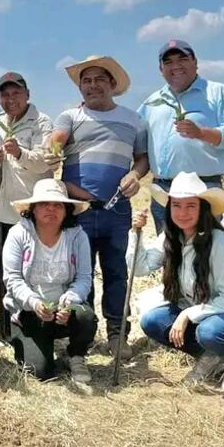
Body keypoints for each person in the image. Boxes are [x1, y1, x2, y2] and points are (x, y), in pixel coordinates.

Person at [131, 173, 224, 393]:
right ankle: (210, 356)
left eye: (190, 206)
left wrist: (187, 314)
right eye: (176, 205)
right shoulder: (171, 237)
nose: (182, 213)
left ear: (203, 208)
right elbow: (140, 268)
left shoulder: (221, 243)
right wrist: (135, 234)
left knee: (210, 332)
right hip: (207, 312)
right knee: (153, 321)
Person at [50, 55, 149, 358]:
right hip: (79, 209)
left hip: (117, 210)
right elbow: (56, 142)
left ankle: (118, 335)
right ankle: (84, 334)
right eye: (86, 81)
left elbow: (142, 159)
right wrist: (52, 149)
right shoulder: (70, 117)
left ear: (112, 84)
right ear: (80, 87)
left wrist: (134, 174)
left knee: (116, 272)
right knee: (81, 273)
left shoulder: (134, 120)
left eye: (99, 80)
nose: (93, 86)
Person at [0, 72, 60, 335]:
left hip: (30, 210)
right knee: (3, 271)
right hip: (1, 211)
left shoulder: (42, 122)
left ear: (27, 94)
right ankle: (6, 328)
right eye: (5, 94)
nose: (10, 99)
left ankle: (34, 327)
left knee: (32, 271)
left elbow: (47, 161)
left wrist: (19, 152)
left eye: (16, 93)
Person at [138, 40, 224, 233]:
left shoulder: (218, 93)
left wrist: (201, 133)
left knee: (204, 252)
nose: (176, 66)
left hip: (204, 188)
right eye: (168, 61)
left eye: (183, 59)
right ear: (161, 69)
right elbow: (134, 134)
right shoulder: (152, 102)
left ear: (196, 63)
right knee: (168, 251)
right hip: (164, 190)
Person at [2, 179, 96, 382]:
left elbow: (84, 278)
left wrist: (70, 300)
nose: (51, 209)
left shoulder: (78, 237)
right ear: (33, 209)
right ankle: (34, 344)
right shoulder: (18, 234)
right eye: (45, 204)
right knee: (40, 372)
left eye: (58, 205)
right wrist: (34, 303)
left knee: (86, 317)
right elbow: (12, 279)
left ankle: (76, 354)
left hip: (63, 310)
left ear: (67, 210)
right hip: (28, 311)